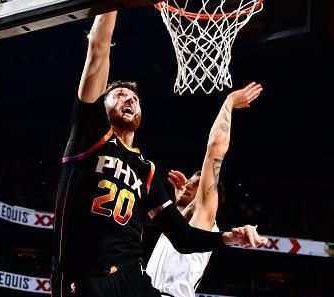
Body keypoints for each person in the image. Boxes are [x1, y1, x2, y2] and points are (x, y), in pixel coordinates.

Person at [51, 11, 267, 297]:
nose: (129, 99)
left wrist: (229, 237)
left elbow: (185, 237)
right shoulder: (89, 137)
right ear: (102, 107)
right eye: (120, 96)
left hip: (133, 279)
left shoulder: (146, 170)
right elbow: (98, 48)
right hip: (86, 274)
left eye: (134, 98)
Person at [146, 82, 266, 297]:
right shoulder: (180, 229)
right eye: (189, 182)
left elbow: (215, 149)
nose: (188, 185)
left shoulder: (203, 219)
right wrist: (179, 202)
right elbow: (176, 232)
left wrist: (229, 102)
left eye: (195, 185)